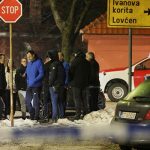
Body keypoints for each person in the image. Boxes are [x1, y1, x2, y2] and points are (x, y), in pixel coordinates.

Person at [69, 49, 90, 120]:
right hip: (85, 84)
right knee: (84, 99)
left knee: (77, 99)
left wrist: (71, 81)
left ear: (76, 54)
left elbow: (71, 72)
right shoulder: (87, 62)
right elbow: (89, 73)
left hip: (76, 84)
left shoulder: (74, 61)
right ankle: (86, 113)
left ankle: (78, 114)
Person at [25, 50, 44, 121]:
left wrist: (34, 80)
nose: (28, 58)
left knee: (36, 102)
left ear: (33, 55)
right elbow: (27, 73)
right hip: (29, 85)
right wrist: (27, 80)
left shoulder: (39, 62)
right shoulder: (29, 63)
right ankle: (32, 114)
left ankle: (36, 116)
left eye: (29, 56)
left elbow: (41, 73)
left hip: (36, 85)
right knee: (27, 100)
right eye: (27, 57)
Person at [48, 50, 65, 123]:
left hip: (54, 86)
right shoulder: (60, 64)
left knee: (54, 102)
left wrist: (50, 84)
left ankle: (54, 118)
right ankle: (61, 116)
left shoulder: (54, 64)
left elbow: (52, 76)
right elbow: (64, 75)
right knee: (60, 102)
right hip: (60, 86)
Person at [42, 54, 52, 121]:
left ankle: (46, 115)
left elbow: (42, 75)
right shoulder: (54, 64)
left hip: (46, 84)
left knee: (46, 100)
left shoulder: (45, 65)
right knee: (51, 100)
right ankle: (51, 113)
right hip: (51, 85)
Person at [0, 54, 7, 119]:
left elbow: (3, 77)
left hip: (2, 87)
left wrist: (5, 84)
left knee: (5, 101)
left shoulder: (3, 66)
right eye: (3, 58)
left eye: (4, 58)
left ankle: (4, 115)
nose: (4, 60)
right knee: (1, 103)